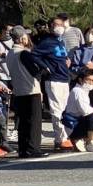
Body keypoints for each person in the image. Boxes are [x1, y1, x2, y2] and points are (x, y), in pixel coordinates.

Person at [31, 17, 74, 151]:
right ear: (50, 26)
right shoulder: (47, 42)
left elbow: (59, 56)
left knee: (66, 109)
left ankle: (66, 136)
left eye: (62, 24)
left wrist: (67, 61)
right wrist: (45, 67)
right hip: (54, 79)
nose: (60, 27)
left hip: (64, 78)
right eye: (57, 25)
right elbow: (34, 54)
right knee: (57, 110)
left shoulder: (59, 41)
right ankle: (60, 139)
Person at [5, 26, 47, 158]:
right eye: (26, 36)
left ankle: (23, 149)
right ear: (22, 38)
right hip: (31, 90)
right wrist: (44, 70)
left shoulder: (10, 54)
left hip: (18, 90)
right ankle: (34, 148)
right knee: (34, 121)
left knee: (23, 121)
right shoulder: (23, 53)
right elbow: (35, 71)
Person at [63, 69, 93, 152]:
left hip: (77, 123)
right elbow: (86, 111)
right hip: (73, 125)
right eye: (88, 80)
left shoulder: (85, 91)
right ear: (81, 79)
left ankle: (84, 140)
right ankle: (89, 142)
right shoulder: (77, 91)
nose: (91, 83)